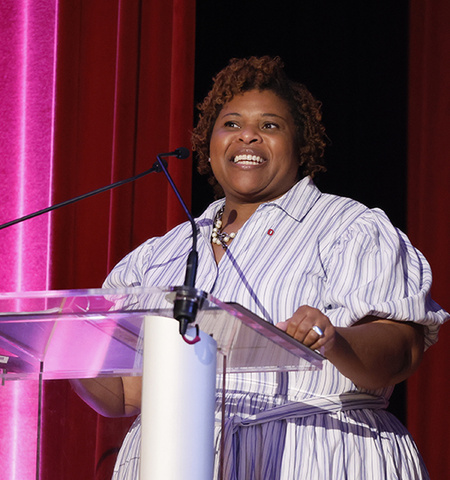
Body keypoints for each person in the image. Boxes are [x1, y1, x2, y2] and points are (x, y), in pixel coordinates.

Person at [73, 56, 448, 479]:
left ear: (300, 145)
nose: (247, 136)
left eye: (270, 126)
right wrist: (65, 351)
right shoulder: (158, 256)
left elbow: (401, 350)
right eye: (231, 124)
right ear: (208, 141)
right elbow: (126, 394)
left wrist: (335, 339)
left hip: (317, 457)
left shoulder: (351, 229)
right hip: (174, 461)